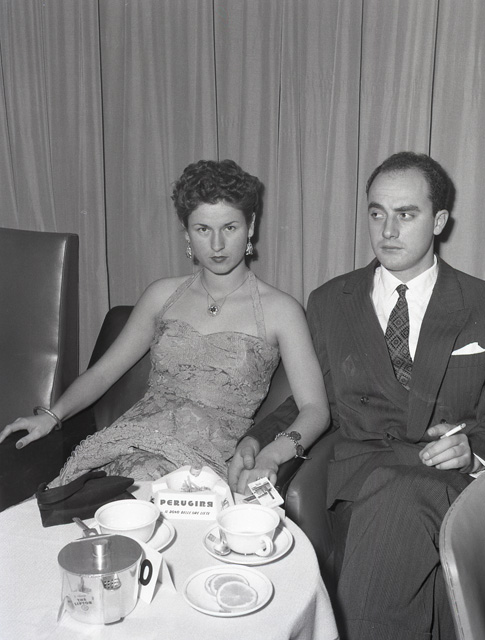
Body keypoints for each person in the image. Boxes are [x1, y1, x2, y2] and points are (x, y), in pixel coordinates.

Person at [229, 151, 485, 640]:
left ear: (439, 221)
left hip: (455, 484)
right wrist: (258, 439)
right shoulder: (330, 302)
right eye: (377, 213)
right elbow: (316, 397)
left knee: (403, 518)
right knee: (398, 523)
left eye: (406, 214)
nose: (387, 231)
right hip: (359, 488)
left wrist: (472, 449)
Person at [0, 159, 329, 488]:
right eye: (203, 229)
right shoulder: (161, 295)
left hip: (205, 462)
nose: (217, 245)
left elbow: (315, 409)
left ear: (250, 226)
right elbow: (102, 373)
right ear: (186, 231)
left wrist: (273, 454)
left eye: (229, 228)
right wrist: (52, 416)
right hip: (132, 441)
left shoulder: (282, 310)